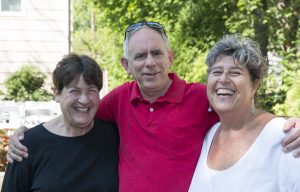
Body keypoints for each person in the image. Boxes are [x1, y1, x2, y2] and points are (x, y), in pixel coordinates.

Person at [7, 22, 300, 192]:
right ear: (126, 65)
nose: (149, 62)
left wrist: (287, 123)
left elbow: (243, 110)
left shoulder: (201, 97)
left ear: (170, 57)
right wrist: (24, 134)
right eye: (140, 56)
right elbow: (75, 116)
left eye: (157, 53)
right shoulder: (117, 101)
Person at [189, 34, 300, 191]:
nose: (223, 79)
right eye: (217, 72)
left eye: (235, 73)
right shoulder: (209, 135)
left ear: (254, 86)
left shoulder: (286, 135)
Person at [2, 54, 119, 192]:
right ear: (57, 93)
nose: (84, 100)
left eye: (91, 91)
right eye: (75, 91)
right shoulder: (27, 146)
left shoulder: (113, 136)